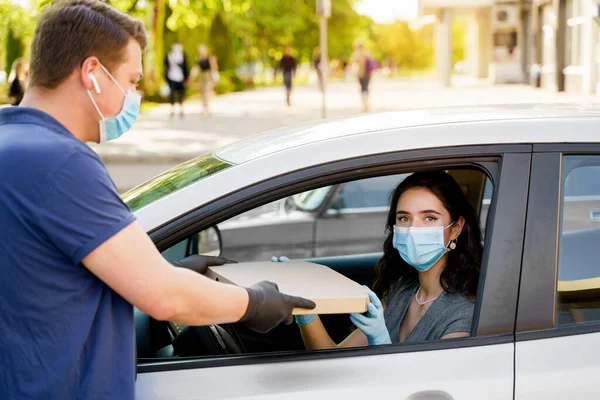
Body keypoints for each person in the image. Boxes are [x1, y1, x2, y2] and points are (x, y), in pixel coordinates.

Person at [0, 1, 314, 398]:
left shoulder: (12, 142)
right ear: (93, 74)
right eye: (132, 81)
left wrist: (161, 267)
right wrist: (255, 303)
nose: (136, 94)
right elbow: (164, 297)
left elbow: (44, 275)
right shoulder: (60, 160)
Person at [293, 171, 482, 349]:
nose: (413, 229)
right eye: (404, 218)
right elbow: (331, 358)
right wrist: (305, 310)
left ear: (456, 228)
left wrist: (383, 344)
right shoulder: (400, 291)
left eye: (429, 218)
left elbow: (430, 383)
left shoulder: (464, 313)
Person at [164, 40, 189, 117]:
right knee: (172, 94)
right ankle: (172, 109)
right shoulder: (169, 55)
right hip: (171, 77)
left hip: (181, 78)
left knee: (181, 94)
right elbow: (165, 66)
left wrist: (186, 78)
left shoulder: (183, 55)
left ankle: (181, 108)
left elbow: (186, 67)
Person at [192, 44, 218, 115]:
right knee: (202, 93)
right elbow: (196, 69)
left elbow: (214, 68)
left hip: (208, 76)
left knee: (207, 92)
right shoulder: (199, 60)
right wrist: (191, 77)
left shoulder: (210, 58)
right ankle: (204, 107)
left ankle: (207, 108)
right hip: (202, 77)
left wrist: (216, 79)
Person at [350, 42, 375, 112]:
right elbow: (372, 64)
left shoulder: (356, 54)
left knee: (362, 88)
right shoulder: (367, 53)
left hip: (360, 74)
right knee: (366, 88)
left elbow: (353, 64)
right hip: (368, 74)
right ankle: (366, 103)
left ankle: (364, 104)